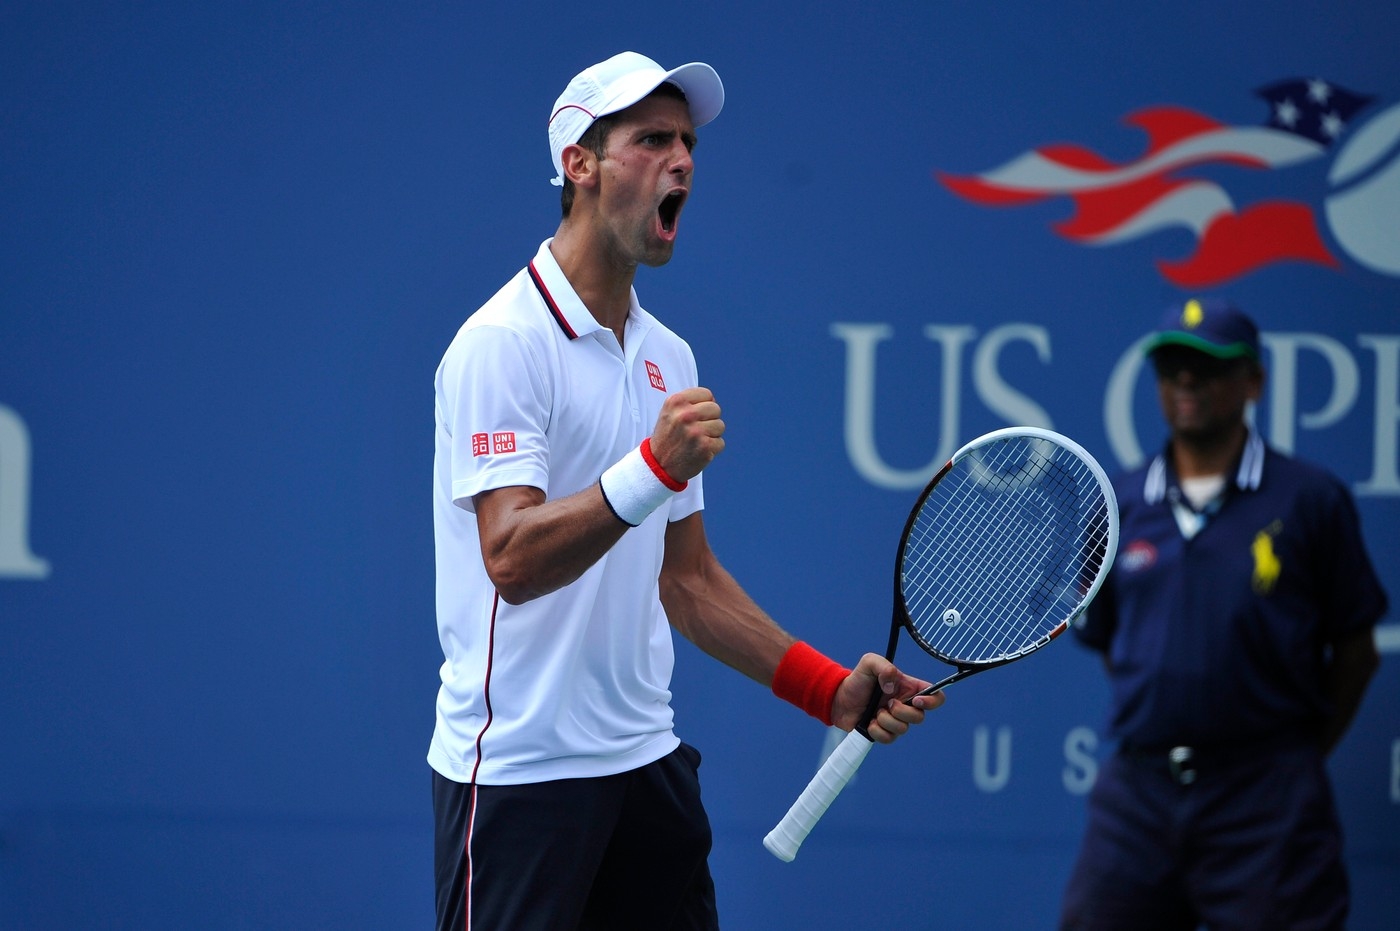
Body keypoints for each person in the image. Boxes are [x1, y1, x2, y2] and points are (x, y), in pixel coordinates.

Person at [428, 51, 943, 931]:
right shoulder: (500, 344)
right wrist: (651, 468)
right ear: (579, 165)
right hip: (519, 779)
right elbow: (509, 558)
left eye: (688, 142)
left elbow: (686, 580)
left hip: (647, 769)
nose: (683, 160)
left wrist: (830, 690)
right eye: (652, 139)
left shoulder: (670, 357)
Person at [1060, 297, 1388, 930]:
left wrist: (1287, 756)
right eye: (1173, 366)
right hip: (1138, 795)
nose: (1188, 380)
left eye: (1208, 366)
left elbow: (1356, 652)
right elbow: (1110, 641)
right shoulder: (1119, 500)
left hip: (1267, 798)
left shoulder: (1311, 499)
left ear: (1254, 381)